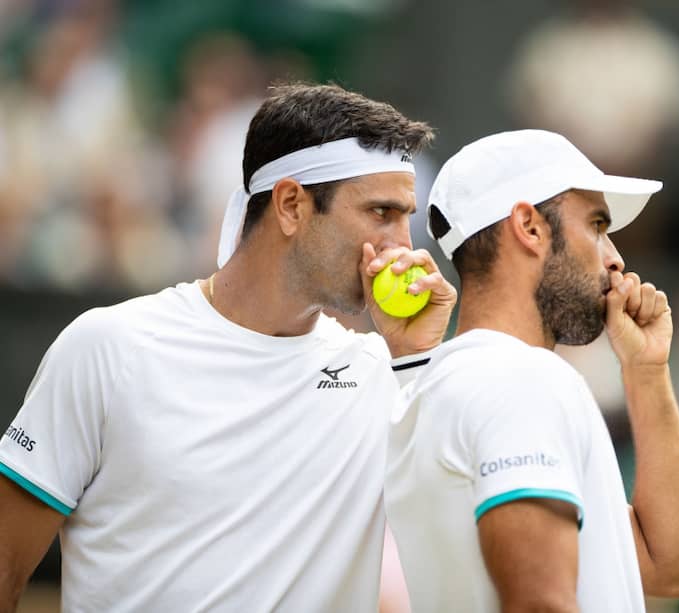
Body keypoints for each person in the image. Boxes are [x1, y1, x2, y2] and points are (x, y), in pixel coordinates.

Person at [0, 83, 456, 612]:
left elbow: (452, 559)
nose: (403, 245)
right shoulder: (108, 347)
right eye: (381, 213)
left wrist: (416, 361)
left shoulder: (386, 374)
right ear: (290, 205)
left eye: (407, 216)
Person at [385, 129, 679, 612]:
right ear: (530, 227)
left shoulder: (442, 384)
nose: (615, 258)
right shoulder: (519, 379)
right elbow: (542, 604)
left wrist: (646, 370)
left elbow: (678, 567)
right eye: (597, 226)